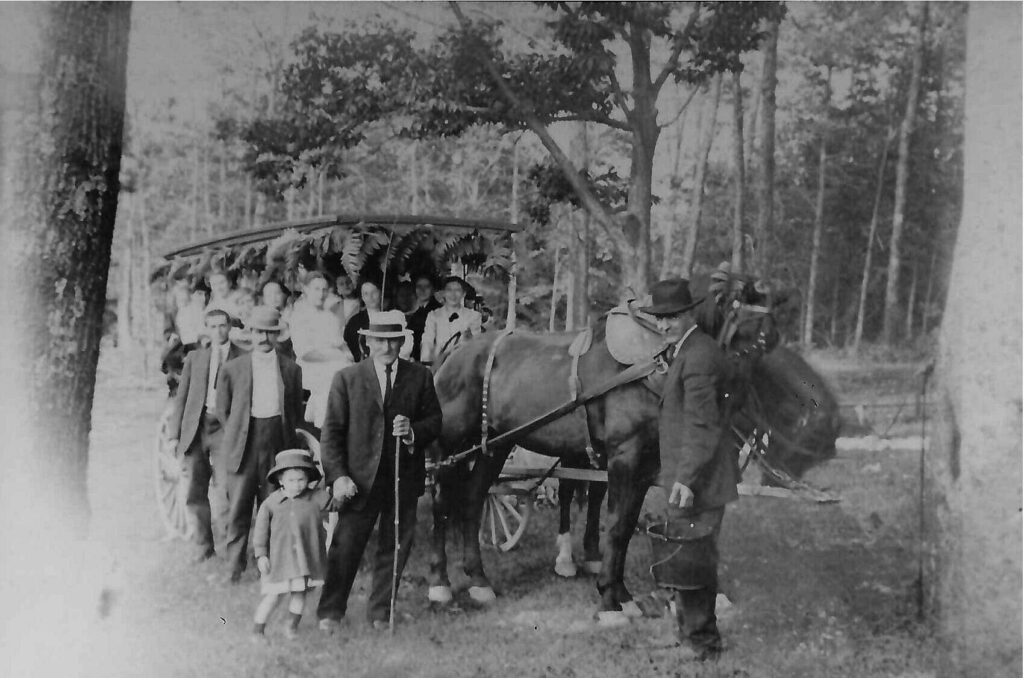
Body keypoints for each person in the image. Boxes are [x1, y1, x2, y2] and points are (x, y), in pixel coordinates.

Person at [316, 310, 442, 632]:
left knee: (395, 546)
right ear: (368, 342)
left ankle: (380, 613)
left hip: (402, 478)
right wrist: (338, 476)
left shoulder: (419, 376)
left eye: (393, 340)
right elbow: (331, 434)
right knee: (346, 546)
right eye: (379, 340)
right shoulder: (347, 378)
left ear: (401, 341)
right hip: (359, 480)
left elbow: (435, 422)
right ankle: (331, 612)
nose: (386, 347)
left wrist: (413, 431)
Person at [640, 278, 739, 661]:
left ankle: (702, 642)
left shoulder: (699, 355)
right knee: (684, 555)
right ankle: (687, 632)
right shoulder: (689, 349)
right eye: (659, 318)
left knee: (695, 557)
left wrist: (686, 479)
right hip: (692, 477)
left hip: (700, 480)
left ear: (690, 313)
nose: (664, 324)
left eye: (672, 317)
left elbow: (702, 424)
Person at [216, 306, 305, 583]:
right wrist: (240, 432)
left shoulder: (291, 369)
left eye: (269, 332)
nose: (264, 338)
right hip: (244, 443)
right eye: (258, 332)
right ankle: (233, 568)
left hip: (276, 442)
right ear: (250, 334)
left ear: (277, 335)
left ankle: (274, 566)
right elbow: (223, 411)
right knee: (238, 507)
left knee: (275, 505)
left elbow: (294, 411)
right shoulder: (232, 369)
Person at [166, 309, 244, 562]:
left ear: (229, 327)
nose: (218, 331)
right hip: (197, 428)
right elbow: (182, 397)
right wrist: (174, 434)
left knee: (225, 488)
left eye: (222, 325)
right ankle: (203, 545)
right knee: (194, 488)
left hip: (224, 429)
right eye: (213, 326)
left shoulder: (242, 357)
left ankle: (230, 548)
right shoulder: (196, 358)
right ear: (206, 329)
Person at [251, 449, 330, 641]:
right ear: (281, 480)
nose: (297, 485)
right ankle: (258, 630)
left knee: (299, 593)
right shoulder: (271, 504)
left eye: (301, 479)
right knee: (273, 596)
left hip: (304, 559)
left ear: (308, 479)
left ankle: (291, 626)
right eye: (291, 480)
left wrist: (341, 490)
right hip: (279, 560)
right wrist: (261, 555)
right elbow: (260, 532)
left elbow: (336, 503)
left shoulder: (316, 498)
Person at [419, 276, 482, 365]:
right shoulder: (434, 315)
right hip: (439, 364)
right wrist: (427, 362)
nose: (453, 294)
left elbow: (475, 343)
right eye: (449, 290)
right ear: (443, 293)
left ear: (463, 294)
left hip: (463, 363)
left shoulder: (474, 316)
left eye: (457, 290)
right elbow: (427, 340)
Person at [289, 272, 347, 362]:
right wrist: (336, 358)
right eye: (316, 289)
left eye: (324, 290)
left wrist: (348, 356)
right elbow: (305, 354)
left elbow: (340, 344)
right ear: (306, 289)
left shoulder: (331, 317)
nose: (321, 294)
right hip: (311, 366)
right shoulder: (298, 317)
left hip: (338, 363)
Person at [343, 279, 382, 362]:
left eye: (374, 292)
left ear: (380, 293)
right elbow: (349, 344)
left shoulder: (390, 317)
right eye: (366, 294)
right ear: (362, 297)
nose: (371, 297)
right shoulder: (355, 321)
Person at [405, 274, 441, 361]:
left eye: (427, 286)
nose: (422, 290)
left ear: (433, 289)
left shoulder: (437, 311)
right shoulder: (418, 310)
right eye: (419, 286)